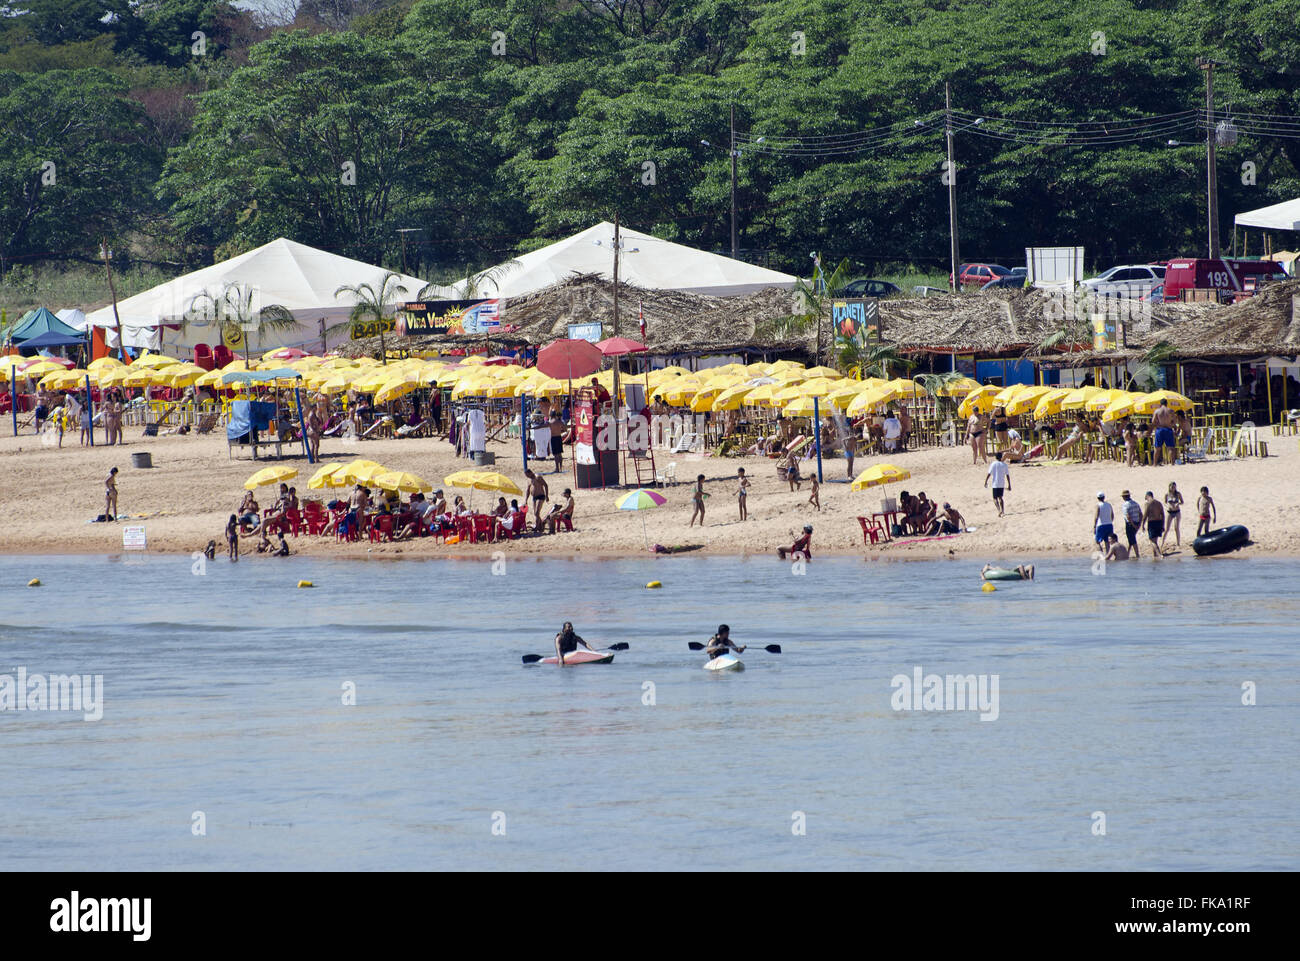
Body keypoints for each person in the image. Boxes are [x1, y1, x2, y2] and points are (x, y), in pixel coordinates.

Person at [1151, 399, 1176, 466]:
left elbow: (1153, 421)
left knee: (1157, 448)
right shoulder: (1170, 411)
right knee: (1170, 448)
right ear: (1166, 403)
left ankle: (1155, 464)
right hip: (1168, 429)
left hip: (1160, 429)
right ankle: (1172, 463)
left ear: (1160, 404)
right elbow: (1174, 422)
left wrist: (1157, 425)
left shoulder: (1157, 411)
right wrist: (1172, 425)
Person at [1141, 490, 1165, 559]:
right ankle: (1154, 555)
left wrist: (1142, 525)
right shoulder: (1159, 503)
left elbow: (1145, 515)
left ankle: (1159, 554)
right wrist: (1162, 525)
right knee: (1155, 540)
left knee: (1152, 541)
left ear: (1147, 496)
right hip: (1159, 522)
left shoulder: (1148, 503)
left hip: (1152, 523)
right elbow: (1163, 515)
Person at [985, 451, 1010, 517]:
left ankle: (999, 510)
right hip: (1002, 483)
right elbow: (1007, 475)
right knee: (1000, 498)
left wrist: (986, 481)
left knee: (994, 498)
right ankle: (1003, 511)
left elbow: (989, 473)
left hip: (995, 484)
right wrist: (1009, 485)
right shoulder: (1004, 465)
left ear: (996, 457)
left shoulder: (993, 464)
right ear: (1001, 457)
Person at [1162, 481, 1184, 552]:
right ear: (1169, 487)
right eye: (1172, 487)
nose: (1173, 488)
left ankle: (1178, 543)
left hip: (1177, 512)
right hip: (1170, 512)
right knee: (1167, 529)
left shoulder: (1178, 494)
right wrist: (1168, 506)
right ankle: (1162, 542)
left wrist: (1178, 504)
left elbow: (1182, 502)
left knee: (1176, 528)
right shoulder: (1167, 494)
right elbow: (1164, 502)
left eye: (1174, 487)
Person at [1120, 489, 1142, 558]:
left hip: (1130, 524)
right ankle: (1127, 553)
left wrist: (1133, 525)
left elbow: (1128, 517)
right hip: (1137, 522)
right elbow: (1141, 514)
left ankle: (1137, 554)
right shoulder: (1135, 503)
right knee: (1131, 539)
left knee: (1132, 539)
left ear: (1124, 497)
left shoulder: (1125, 505)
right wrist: (1139, 524)